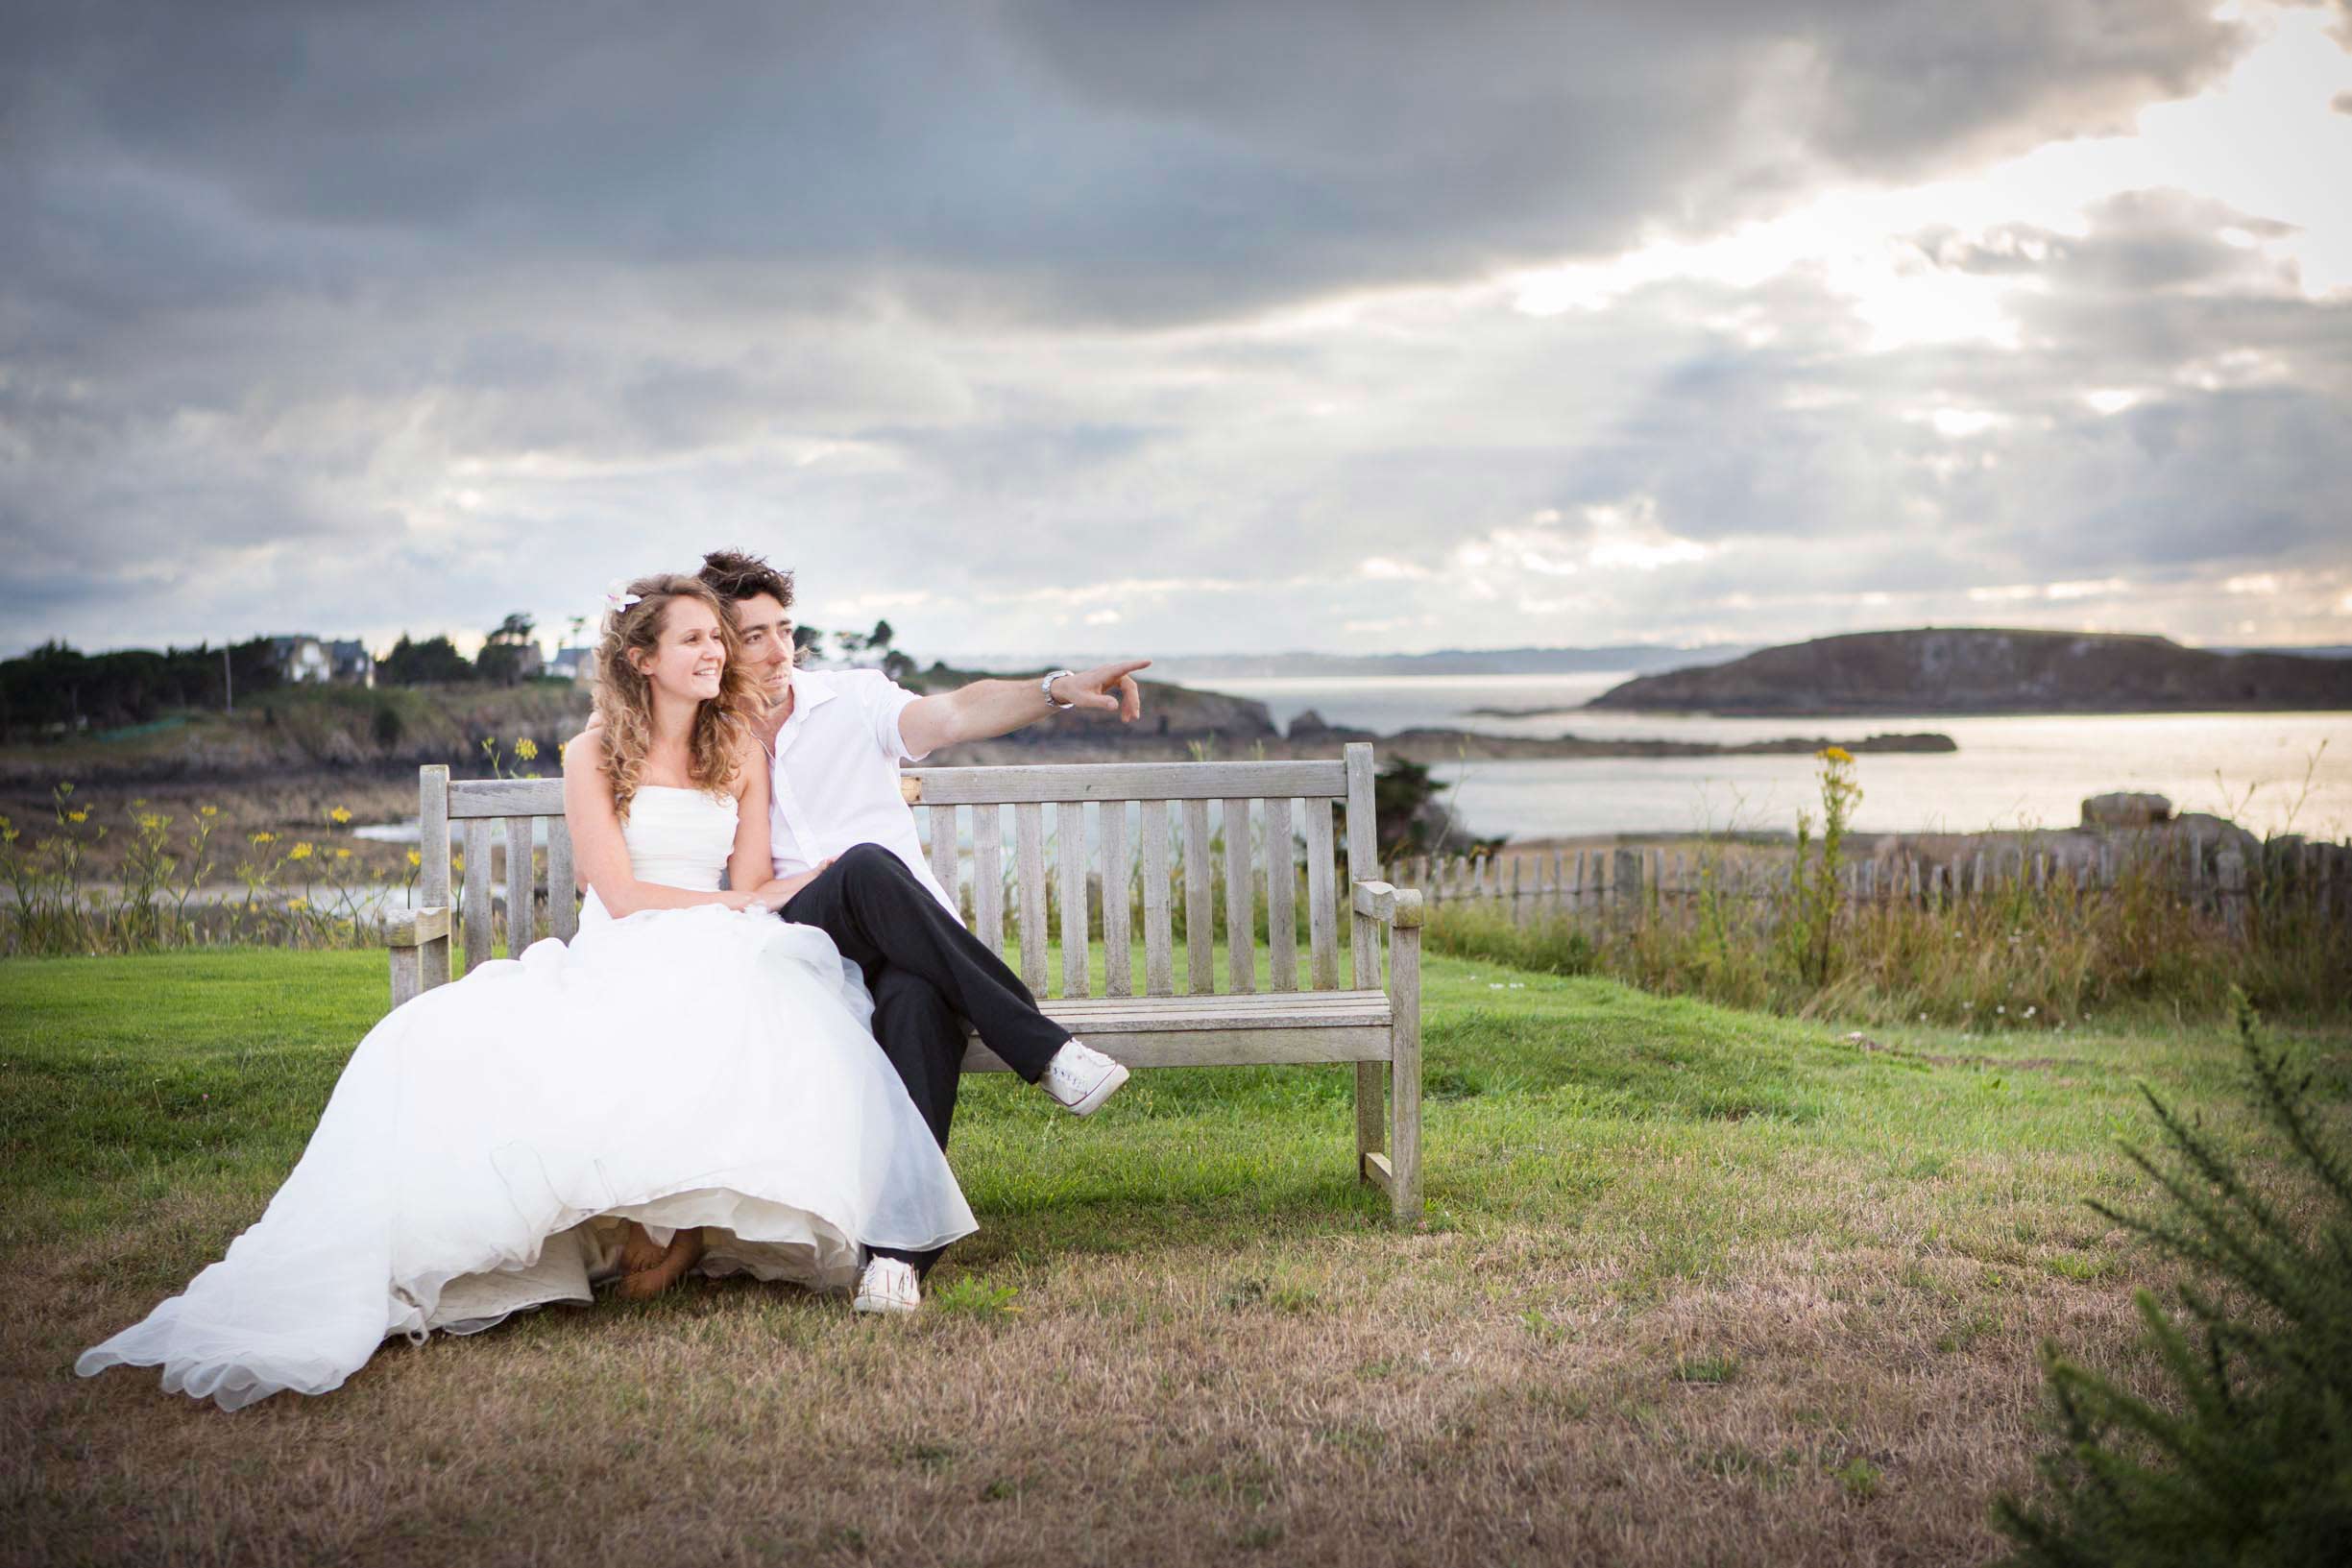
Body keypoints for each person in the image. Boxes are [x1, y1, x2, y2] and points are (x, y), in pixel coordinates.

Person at [76, 574, 974, 1411]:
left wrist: (748, 904)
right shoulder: (593, 751)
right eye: (696, 638)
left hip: (725, 938)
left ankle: (689, 1217)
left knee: (749, 994)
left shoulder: (736, 744)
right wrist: (742, 900)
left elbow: (750, 880)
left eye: (718, 640)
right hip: (626, 941)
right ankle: (628, 1220)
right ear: (641, 658)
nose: (716, 653)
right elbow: (618, 893)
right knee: (429, 1040)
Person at [696, 549, 1152, 1315]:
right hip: (796, 946)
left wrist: (1053, 691)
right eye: (754, 637)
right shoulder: (704, 736)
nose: (780, 652)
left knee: (915, 999)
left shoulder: (850, 700)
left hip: (904, 940)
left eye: (786, 630)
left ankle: (893, 1258)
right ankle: (1041, 1049)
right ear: (716, 645)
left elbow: (951, 713)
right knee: (868, 865)